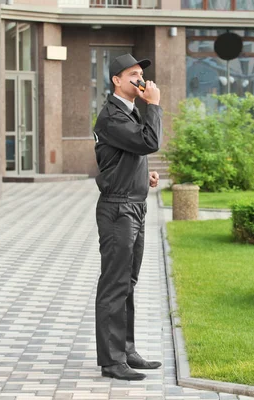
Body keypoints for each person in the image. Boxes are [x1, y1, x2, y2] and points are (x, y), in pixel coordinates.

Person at [92, 53, 163, 381]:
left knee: (128, 282)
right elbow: (149, 142)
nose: (140, 79)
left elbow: (128, 155)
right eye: (132, 74)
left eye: (141, 74)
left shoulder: (129, 113)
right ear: (116, 81)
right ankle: (112, 361)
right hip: (119, 210)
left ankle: (127, 349)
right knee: (115, 283)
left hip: (134, 204)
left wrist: (143, 177)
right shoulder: (112, 116)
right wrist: (155, 105)